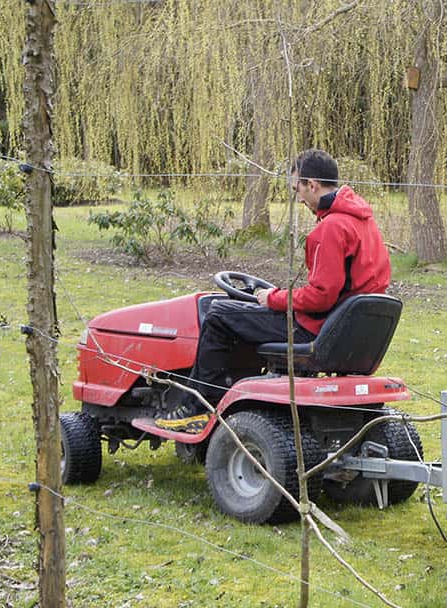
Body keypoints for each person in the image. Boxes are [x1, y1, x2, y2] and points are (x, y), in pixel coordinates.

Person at [156, 148, 391, 432]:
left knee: (218, 313)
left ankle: (199, 406)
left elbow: (321, 296)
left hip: (317, 328)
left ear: (312, 185)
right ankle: (240, 395)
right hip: (346, 329)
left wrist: (273, 298)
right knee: (242, 316)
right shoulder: (364, 222)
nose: (298, 198)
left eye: (297, 189)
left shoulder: (330, 229)